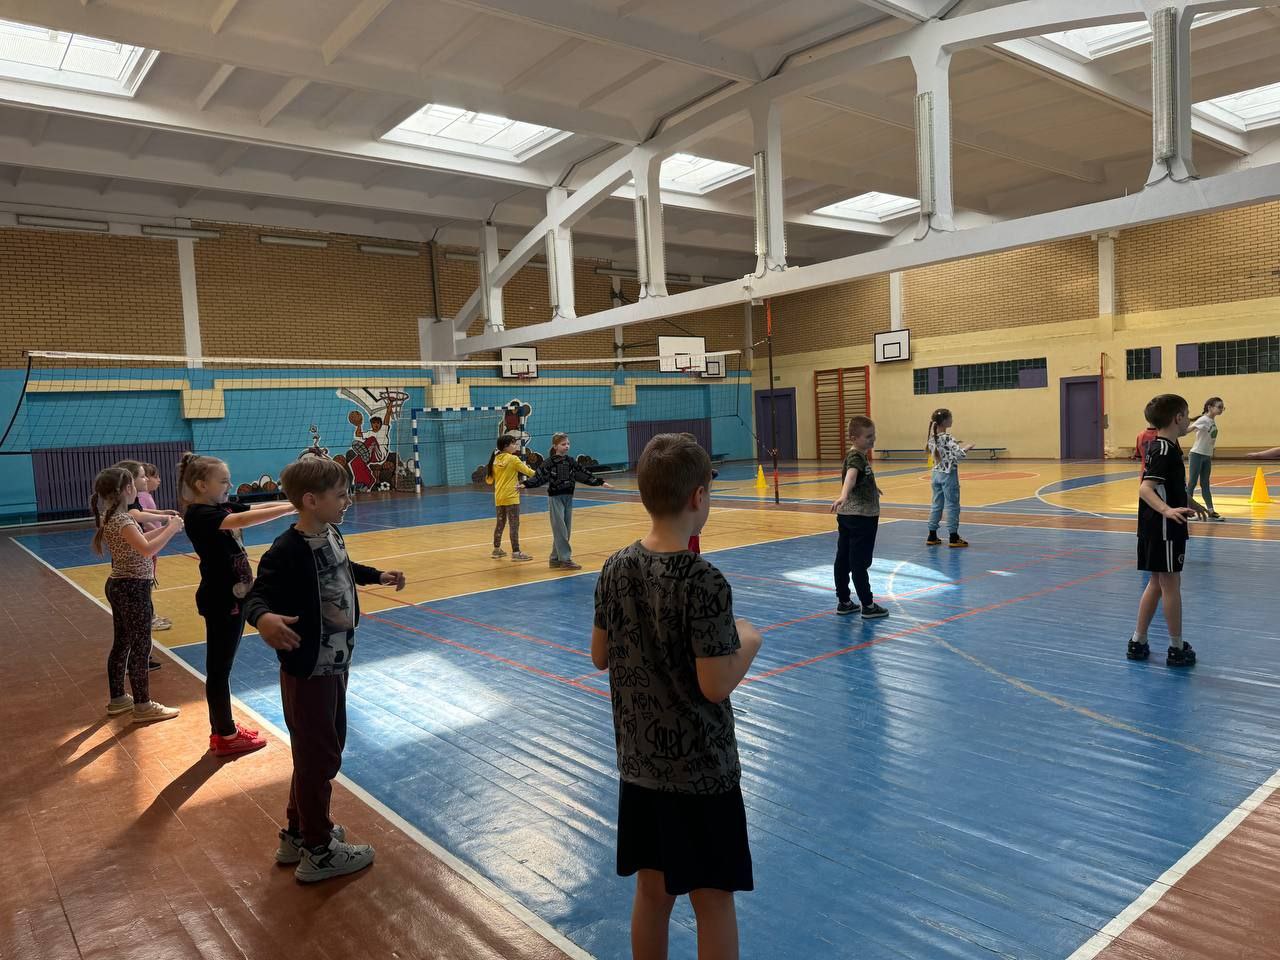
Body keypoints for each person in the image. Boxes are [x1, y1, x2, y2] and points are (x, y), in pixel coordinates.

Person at [591, 433, 763, 960]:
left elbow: (599, 655)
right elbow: (715, 683)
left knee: (652, 892)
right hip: (702, 772)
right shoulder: (705, 581)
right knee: (712, 900)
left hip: (640, 767)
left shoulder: (614, 567)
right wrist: (749, 640)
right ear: (698, 497)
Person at [244, 457, 406, 882]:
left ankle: (298, 832)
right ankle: (319, 850)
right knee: (319, 756)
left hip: (336, 662)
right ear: (311, 501)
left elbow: (343, 570)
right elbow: (256, 595)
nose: (348, 501)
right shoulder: (287, 549)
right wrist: (263, 618)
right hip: (309, 670)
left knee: (316, 751)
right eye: (340, 495)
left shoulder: (331, 533)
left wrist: (376, 575)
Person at [179, 454, 298, 757]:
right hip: (222, 600)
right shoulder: (199, 514)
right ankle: (225, 734)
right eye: (223, 481)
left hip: (235, 597)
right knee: (219, 669)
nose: (230, 486)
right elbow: (244, 520)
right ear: (201, 485)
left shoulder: (220, 507)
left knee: (222, 667)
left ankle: (223, 729)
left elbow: (253, 508)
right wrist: (292, 508)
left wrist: (291, 502)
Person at [91, 465, 185, 722]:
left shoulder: (114, 516)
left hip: (121, 585)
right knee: (141, 646)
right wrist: (171, 529)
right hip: (132, 587)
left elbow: (139, 541)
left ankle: (119, 698)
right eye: (133, 482)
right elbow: (146, 549)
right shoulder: (122, 519)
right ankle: (143, 705)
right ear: (126, 489)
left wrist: (165, 526)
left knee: (122, 643)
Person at [1127, 394, 1208, 667]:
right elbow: (1145, 489)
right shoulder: (1164, 450)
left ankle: (1138, 641)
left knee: (1156, 583)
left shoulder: (1163, 447)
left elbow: (1166, 486)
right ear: (1178, 418)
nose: (1188, 421)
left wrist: (1189, 501)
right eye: (1187, 415)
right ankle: (1176, 647)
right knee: (1171, 585)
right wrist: (1167, 511)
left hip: (1155, 527)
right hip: (1164, 528)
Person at [520, 432, 612, 570]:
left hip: (568, 497)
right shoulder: (549, 462)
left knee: (566, 530)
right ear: (555, 446)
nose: (567, 446)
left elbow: (582, 474)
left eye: (568, 444)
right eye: (563, 444)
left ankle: (555, 559)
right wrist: (526, 484)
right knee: (560, 529)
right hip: (555, 498)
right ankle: (565, 560)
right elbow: (539, 476)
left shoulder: (570, 461)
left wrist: (599, 482)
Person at [830, 416, 888, 619]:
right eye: (868, 436)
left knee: (843, 559)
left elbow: (860, 478)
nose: (873, 439)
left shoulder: (858, 456)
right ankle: (868, 605)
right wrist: (843, 495)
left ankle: (844, 602)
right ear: (854, 438)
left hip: (847, 516)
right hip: (862, 518)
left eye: (874, 435)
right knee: (859, 563)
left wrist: (873, 487)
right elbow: (851, 476)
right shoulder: (856, 457)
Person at [925, 408, 974, 547]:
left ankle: (932, 535)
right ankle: (953, 537)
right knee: (952, 505)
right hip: (948, 475)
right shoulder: (947, 437)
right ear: (945, 421)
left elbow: (942, 452)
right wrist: (967, 447)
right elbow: (958, 454)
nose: (952, 420)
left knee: (936, 505)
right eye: (950, 418)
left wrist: (954, 445)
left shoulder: (932, 438)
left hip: (936, 474)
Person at [486, 433, 535, 561]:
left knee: (500, 523)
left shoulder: (495, 460)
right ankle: (516, 553)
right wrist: (544, 475)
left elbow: (489, 480)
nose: (515, 445)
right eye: (513, 443)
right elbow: (528, 472)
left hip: (499, 497)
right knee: (514, 524)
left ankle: (496, 550)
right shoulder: (513, 459)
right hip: (511, 497)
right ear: (506, 446)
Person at [1187, 397, 1226, 521]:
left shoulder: (1211, 421)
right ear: (1209, 407)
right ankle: (1187, 511)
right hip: (1196, 454)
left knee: (1205, 484)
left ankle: (1211, 511)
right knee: (1192, 483)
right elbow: (1188, 430)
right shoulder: (1203, 420)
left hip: (1206, 456)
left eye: (1222, 408)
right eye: (1219, 407)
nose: (1221, 409)